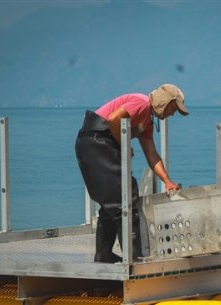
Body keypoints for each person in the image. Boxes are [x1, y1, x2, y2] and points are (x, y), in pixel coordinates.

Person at [75, 83, 188, 263]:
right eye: (174, 108)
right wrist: (124, 145)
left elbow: (151, 154)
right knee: (126, 195)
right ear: (164, 101)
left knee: (111, 200)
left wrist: (167, 181)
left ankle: (104, 255)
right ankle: (134, 257)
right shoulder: (142, 103)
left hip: (92, 143)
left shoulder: (146, 122)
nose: (172, 114)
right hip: (97, 141)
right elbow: (114, 119)